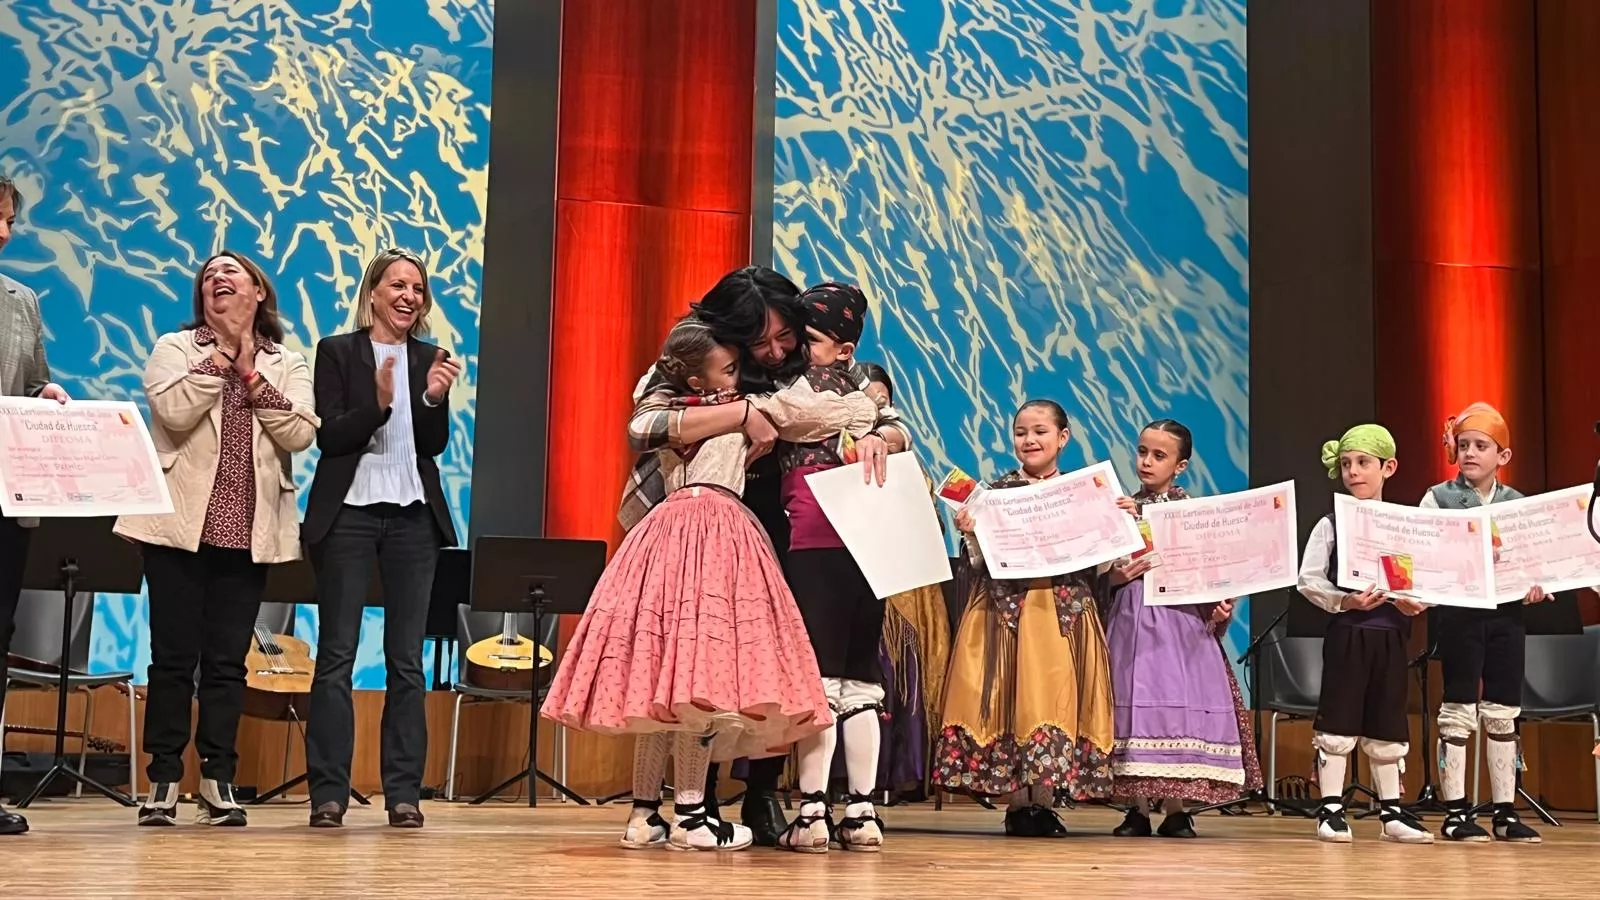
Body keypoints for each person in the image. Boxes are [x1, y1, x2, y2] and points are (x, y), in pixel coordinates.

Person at [543, 318, 872, 851]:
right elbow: (811, 414)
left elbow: (648, 411)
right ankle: (693, 813)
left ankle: (645, 813)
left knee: (662, 690)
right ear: (702, 381)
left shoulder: (674, 413)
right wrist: (866, 403)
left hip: (663, 531)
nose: (739, 373)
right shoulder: (737, 408)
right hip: (715, 530)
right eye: (729, 367)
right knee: (700, 683)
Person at [618, 266, 909, 845]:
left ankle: (763, 793)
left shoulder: (821, 362)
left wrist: (880, 433)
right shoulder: (698, 347)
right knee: (697, 661)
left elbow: (886, 414)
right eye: (760, 341)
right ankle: (680, 805)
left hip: (787, 517)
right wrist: (742, 413)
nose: (776, 351)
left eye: (787, 337)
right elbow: (644, 424)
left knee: (777, 654)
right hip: (700, 520)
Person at [114, 251, 318, 826]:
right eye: (208, 276)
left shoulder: (287, 361)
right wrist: (225, 353)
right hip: (179, 528)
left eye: (231, 272)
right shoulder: (176, 349)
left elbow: (300, 432)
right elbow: (174, 412)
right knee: (173, 659)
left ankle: (218, 779)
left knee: (228, 663)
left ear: (258, 291)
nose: (217, 279)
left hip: (247, 530)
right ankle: (161, 780)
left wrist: (251, 371)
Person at [301, 248, 462, 829]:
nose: (408, 296)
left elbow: (433, 446)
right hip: (348, 514)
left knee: (407, 662)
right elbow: (333, 437)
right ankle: (329, 793)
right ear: (372, 292)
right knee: (336, 657)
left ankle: (403, 794)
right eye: (397, 285)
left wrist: (431, 400)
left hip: (413, 517)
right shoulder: (337, 351)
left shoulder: (429, 357)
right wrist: (379, 404)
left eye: (417, 288)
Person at [934, 400, 1117, 837]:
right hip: (1005, 611)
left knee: (1053, 699)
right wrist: (970, 531)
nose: (1029, 440)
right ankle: (1018, 804)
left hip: (1062, 609)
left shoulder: (1083, 492)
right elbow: (978, 563)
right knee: (1010, 698)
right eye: (1021, 432)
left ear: (1063, 437)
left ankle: (1046, 802)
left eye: (1039, 431)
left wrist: (1117, 523)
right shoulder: (994, 495)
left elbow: (1103, 563)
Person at [775, 283, 896, 853]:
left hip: (838, 534)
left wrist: (882, 428)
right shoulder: (854, 389)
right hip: (834, 533)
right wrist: (873, 416)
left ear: (843, 348)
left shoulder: (804, 383)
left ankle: (827, 809)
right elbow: (796, 419)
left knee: (841, 672)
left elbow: (792, 418)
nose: (800, 347)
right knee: (845, 673)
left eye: (813, 339)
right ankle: (846, 810)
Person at [1104, 419, 1261, 838]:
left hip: (1178, 619)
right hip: (1132, 616)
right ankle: (1135, 808)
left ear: (1181, 465)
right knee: (1132, 699)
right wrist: (1117, 576)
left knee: (1177, 698)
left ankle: (1176, 808)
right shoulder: (1120, 508)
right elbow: (1104, 571)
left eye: (1159, 455)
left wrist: (1222, 603)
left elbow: (1215, 571)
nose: (1147, 462)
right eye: (1142, 452)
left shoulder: (1193, 513)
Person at [1295, 424, 1432, 844]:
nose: (1354, 472)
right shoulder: (1331, 524)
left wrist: (1418, 602)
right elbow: (1309, 579)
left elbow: (1424, 579)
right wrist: (1346, 601)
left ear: (1388, 467)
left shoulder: (1405, 526)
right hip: (1349, 634)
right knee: (1339, 715)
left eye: (1363, 463)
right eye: (1347, 464)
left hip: (1392, 635)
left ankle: (1391, 812)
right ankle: (1331, 808)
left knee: (1387, 718)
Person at [1423, 403, 1547, 843]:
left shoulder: (1520, 506)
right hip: (1459, 617)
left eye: (1481, 446)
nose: (1470, 452)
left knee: (1502, 712)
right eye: (1464, 445)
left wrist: (1536, 583)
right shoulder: (1437, 498)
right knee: (1458, 708)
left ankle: (1504, 811)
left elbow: (1535, 562)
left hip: (1507, 617)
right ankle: (1455, 811)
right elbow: (1425, 556)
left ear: (1503, 456)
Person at [0, 173, 70, 836]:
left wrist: (47, 398)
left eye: (8, 220)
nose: (3, 231)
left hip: (5, 501)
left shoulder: (21, 301)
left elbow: (35, 380)